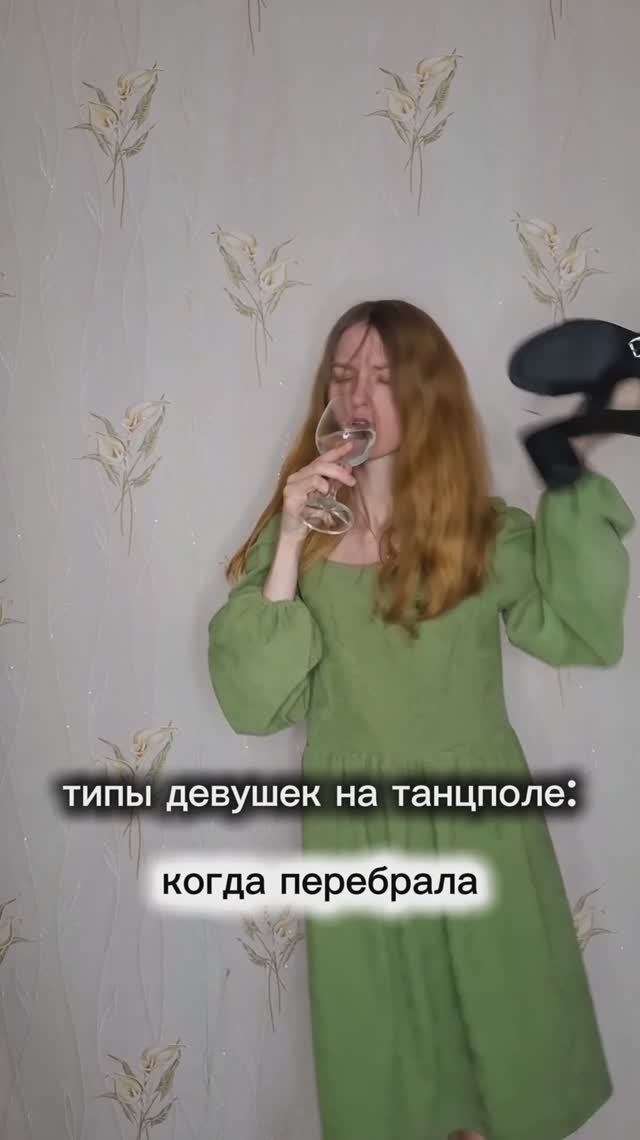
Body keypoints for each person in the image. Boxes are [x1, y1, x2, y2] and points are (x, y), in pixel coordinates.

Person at [207, 299, 635, 1140]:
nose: (358, 397)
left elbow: (578, 628)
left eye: (384, 377)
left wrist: (570, 489)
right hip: (358, 841)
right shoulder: (302, 550)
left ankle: (583, 436)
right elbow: (254, 704)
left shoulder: (484, 534)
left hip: (481, 827)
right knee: (393, 1079)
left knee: (497, 1073)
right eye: (342, 376)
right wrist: (288, 538)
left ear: (427, 392)